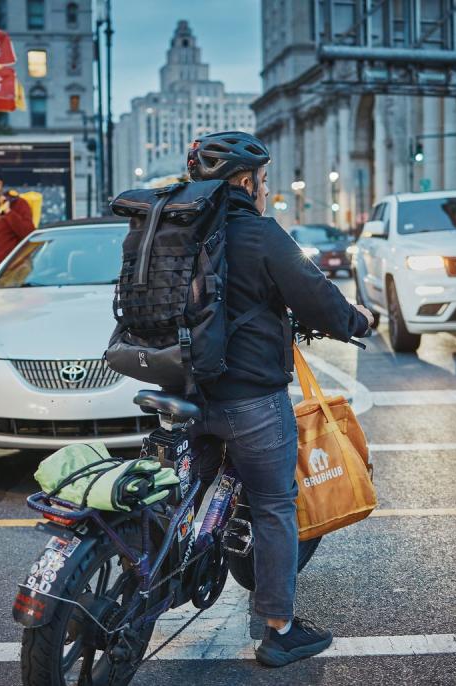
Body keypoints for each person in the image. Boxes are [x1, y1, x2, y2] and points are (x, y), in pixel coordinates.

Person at [184, 131, 374, 667]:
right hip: (249, 399)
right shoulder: (259, 233)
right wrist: (358, 319)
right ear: (245, 183)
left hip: (183, 392)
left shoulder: (174, 232)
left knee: (179, 499)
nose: (265, 190)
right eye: (263, 181)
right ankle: (280, 629)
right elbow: (318, 297)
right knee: (274, 505)